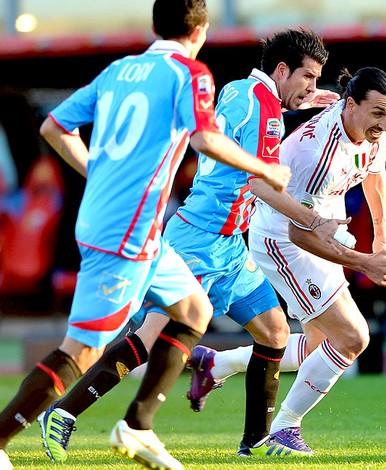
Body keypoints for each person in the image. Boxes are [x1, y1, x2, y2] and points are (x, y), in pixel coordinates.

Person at [0, 0, 293, 469]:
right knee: (82, 350)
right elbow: (204, 140)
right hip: (125, 234)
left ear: (156, 26)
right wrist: (267, 170)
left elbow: (54, 127)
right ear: (201, 29)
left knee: (192, 310)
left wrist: (96, 172)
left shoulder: (121, 69)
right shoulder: (190, 73)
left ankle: (138, 426)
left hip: (141, 230)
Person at [245, 66, 386, 453]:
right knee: (352, 337)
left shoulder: (378, 125)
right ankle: (284, 427)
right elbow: (301, 231)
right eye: (378, 112)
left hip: (323, 222)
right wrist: (364, 262)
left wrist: (381, 237)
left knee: (321, 348)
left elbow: (374, 173)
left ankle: (215, 364)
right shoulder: (314, 153)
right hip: (280, 237)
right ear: (350, 105)